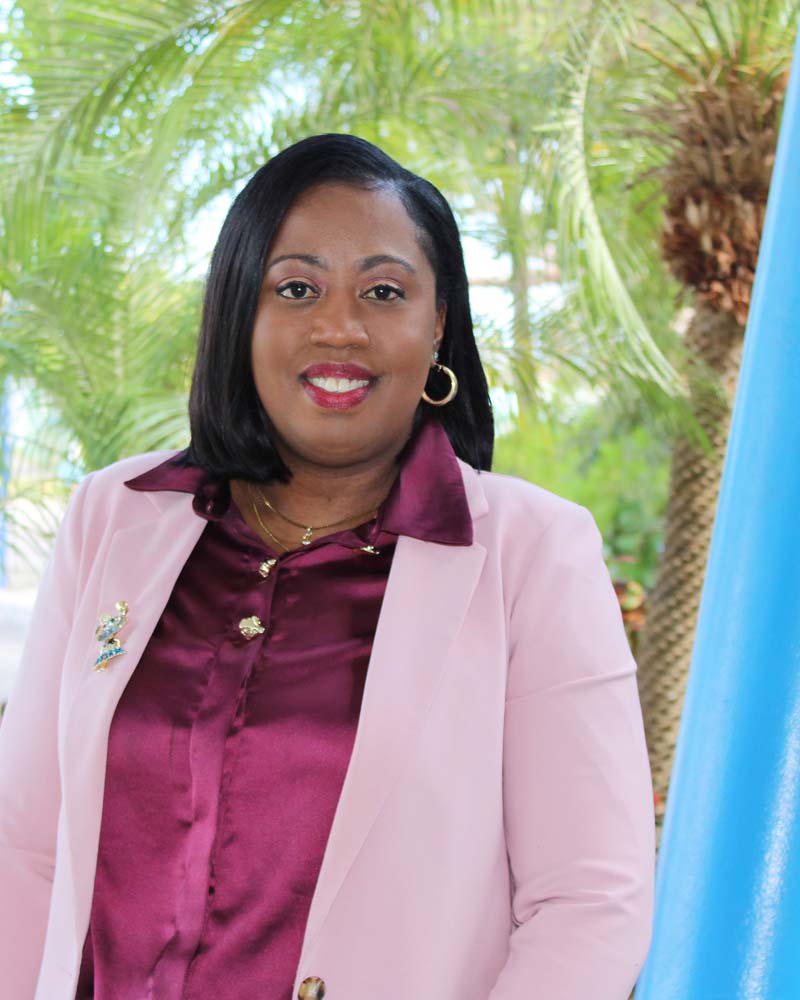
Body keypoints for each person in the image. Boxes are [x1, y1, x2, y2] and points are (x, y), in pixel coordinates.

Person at [0, 133, 655, 1000]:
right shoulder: (115, 518)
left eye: (383, 292)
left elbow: (591, 901)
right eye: (296, 288)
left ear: (437, 325)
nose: (339, 327)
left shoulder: (532, 555)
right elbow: (24, 846)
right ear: (241, 312)